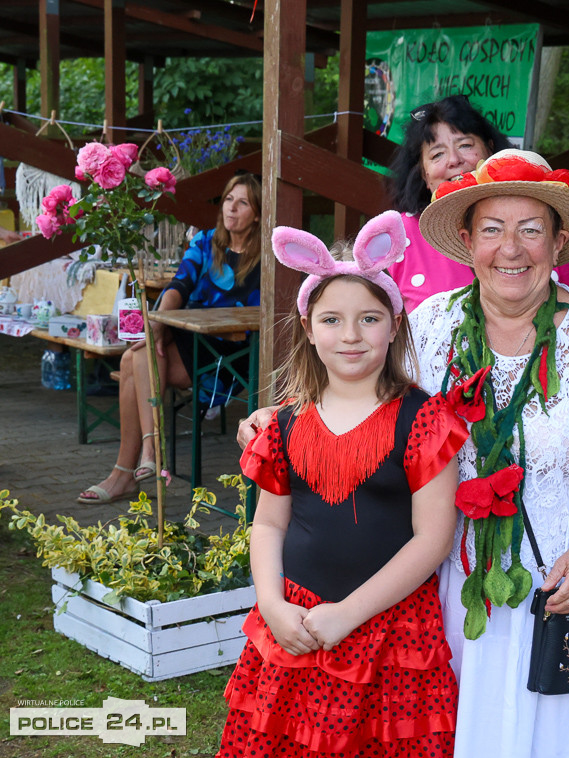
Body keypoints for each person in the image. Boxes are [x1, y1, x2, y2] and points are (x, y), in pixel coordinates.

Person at [241, 150, 569, 757]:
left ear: (559, 240)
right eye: (492, 230)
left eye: (530, 230)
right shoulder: (429, 328)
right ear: (466, 241)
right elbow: (357, 397)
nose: (511, 249)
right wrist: (278, 419)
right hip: (454, 591)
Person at [218, 211, 468, 757]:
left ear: (396, 323)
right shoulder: (283, 424)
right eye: (331, 320)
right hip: (296, 625)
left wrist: (348, 614)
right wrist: (272, 605)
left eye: (369, 319)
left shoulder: (424, 421)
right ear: (308, 329)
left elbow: (432, 539)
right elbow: (268, 523)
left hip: (390, 632)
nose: (350, 336)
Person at [77, 172, 262, 504]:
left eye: (243, 202)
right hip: (188, 339)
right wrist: (160, 322)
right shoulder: (205, 242)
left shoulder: (264, 260)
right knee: (140, 351)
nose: (231, 209)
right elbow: (179, 286)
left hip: (229, 356)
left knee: (133, 359)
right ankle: (144, 456)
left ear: (258, 213)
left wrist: (160, 328)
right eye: (228, 200)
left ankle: (132, 466)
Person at [385, 94, 569, 311]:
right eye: (437, 154)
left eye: (465, 145)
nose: (454, 160)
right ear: (424, 174)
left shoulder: (535, 221)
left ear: (490, 150)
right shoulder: (398, 234)